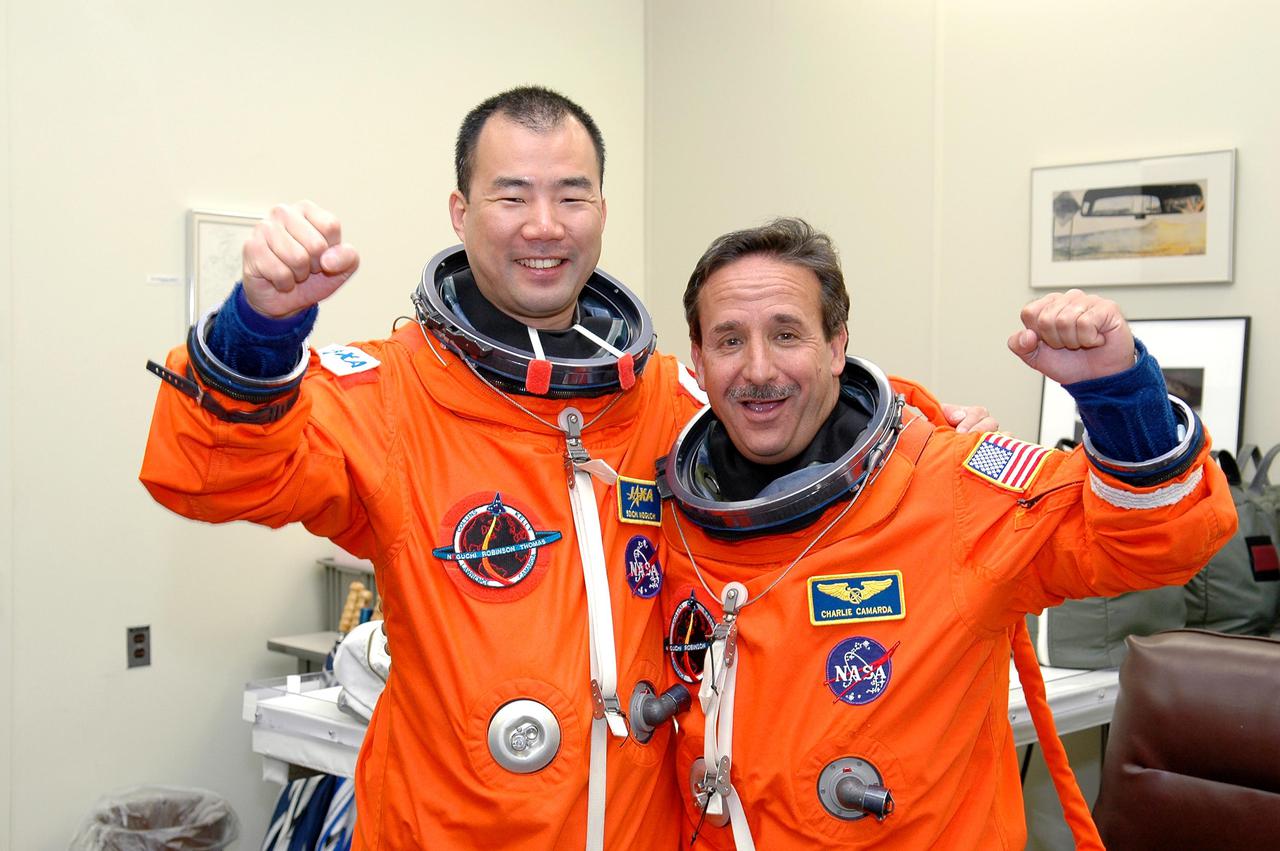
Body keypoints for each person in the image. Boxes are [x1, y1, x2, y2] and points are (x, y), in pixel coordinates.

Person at [139, 87, 994, 850]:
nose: (543, 224)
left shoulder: (669, 397)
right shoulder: (393, 398)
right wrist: (260, 325)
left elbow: (792, 405)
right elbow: (218, 473)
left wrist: (921, 425)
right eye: (511, 194)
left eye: (570, 194)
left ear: (601, 212)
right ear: (459, 210)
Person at [654, 218, 1237, 850]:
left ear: (836, 345)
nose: (758, 369)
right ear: (698, 358)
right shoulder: (669, 506)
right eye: (729, 340)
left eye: (787, 334)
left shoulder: (952, 486)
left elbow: (1159, 537)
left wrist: (1117, 392)